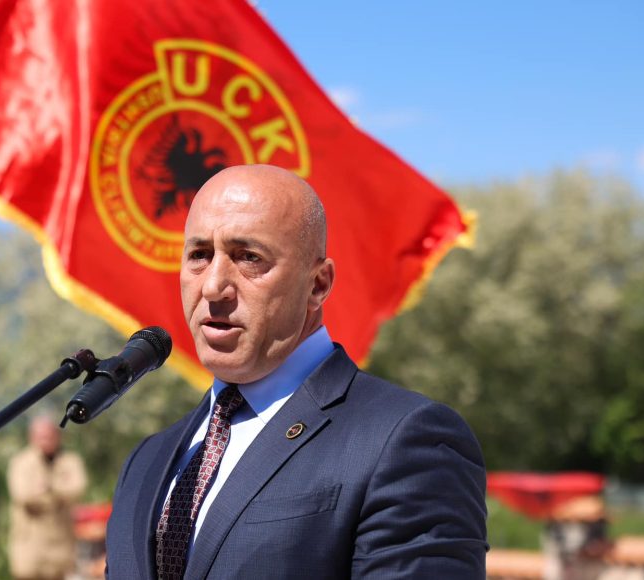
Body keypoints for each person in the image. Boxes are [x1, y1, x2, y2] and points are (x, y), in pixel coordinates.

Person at [105, 165, 488, 578]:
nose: (213, 286)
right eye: (199, 255)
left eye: (249, 258)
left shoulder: (405, 441)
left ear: (318, 284)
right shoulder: (146, 462)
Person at [7, 416, 87, 580]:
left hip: (61, 546)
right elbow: (22, 495)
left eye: (49, 436)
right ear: (32, 437)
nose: (45, 441)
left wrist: (49, 488)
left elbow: (78, 488)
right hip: (30, 545)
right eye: (41, 437)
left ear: (58, 436)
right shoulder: (21, 462)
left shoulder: (70, 460)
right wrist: (58, 493)